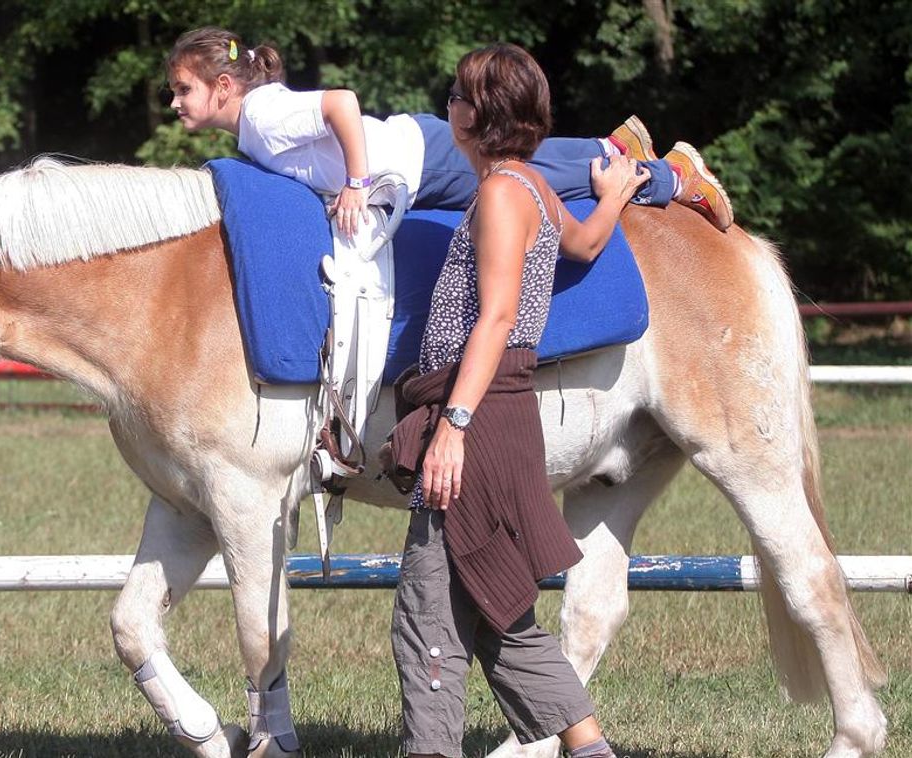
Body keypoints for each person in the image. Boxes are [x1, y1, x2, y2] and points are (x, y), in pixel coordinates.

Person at [381, 44, 637, 758]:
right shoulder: (525, 186)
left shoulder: (499, 194)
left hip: (479, 415)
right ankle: (589, 747)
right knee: (497, 604)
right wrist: (613, 193)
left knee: (427, 613)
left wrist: (452, 427)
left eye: (458, 98)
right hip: (502, 414)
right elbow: (582, 244)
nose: (448, 109)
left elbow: (494, 317)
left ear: (484, 116)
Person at [166, 27, 733, 234]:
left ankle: (670, 175)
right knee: (522, 163)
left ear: (222, 86)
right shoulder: (254, 124)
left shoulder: (262, 115)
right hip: (417, 155)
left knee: (519, 178)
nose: (174, 103)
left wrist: (358, 183)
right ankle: (611, 148)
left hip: (419, 163)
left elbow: (342, 102)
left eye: (184, 90)